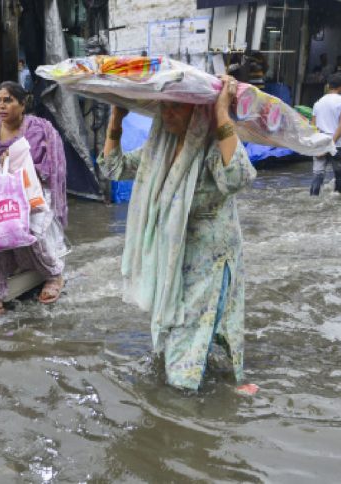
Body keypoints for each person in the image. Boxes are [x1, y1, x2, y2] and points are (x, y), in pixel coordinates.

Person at [97, 75, 257, 392]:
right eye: (164, 107)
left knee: (192, 323)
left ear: (197, 111)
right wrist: (116, 118)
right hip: (172, 253)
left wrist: (222, 113)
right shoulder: (159, 147)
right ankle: (200, 380)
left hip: (209, 257)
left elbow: (238, 177)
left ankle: (182, 395)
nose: (168, 114)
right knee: (175, 320)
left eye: (177, 108)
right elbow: (112, 168)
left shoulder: (212, 145)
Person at [0, 81, 68, 323]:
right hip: (0, 193)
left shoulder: (40, 130)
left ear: (22, 105)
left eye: (8, 100)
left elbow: (50, 168)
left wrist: (15, 161)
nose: (1, 106)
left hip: (34, 191)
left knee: (33, 228)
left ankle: (54, 275)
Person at [310, 73, 341, 196]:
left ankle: (313, 198)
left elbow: (313, 127)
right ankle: (338, 199)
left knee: (318, 173)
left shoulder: (318, 102)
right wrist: (330, 144)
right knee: (339, 173)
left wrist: (319, 146)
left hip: (320, 143)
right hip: (337, 144)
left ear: (328, 86)